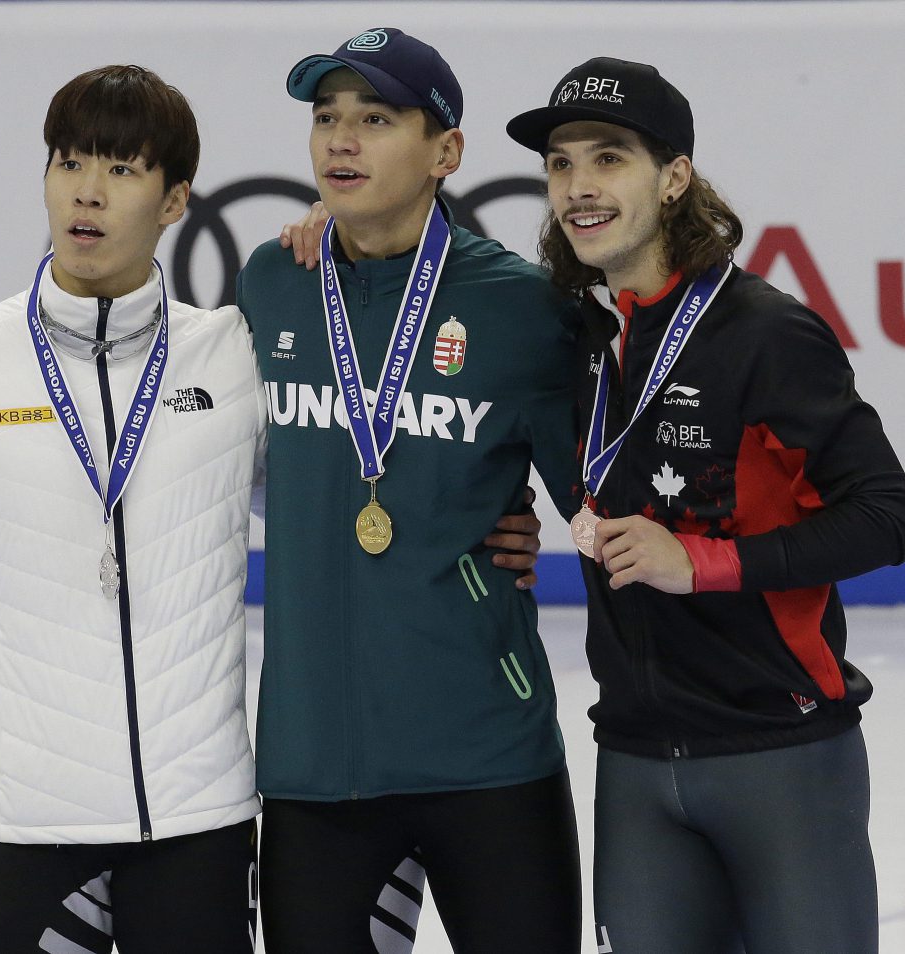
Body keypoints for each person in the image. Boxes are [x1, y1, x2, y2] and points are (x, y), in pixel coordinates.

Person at [506, 57, 905, 953]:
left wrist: (699, 564)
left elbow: (892, 517)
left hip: (780, 754)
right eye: (560, 163)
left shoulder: (765, 334)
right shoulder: (576, 328)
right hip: (633, 760)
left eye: (608, 158)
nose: (578, 188)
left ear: (675, 176)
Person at [0, 65, 266, 952]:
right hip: (23, 830)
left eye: (121, 169)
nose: (86, 190)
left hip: (199, 822)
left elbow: (329, 501)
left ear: (174, 199)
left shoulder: (230, 359)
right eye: (69, 161)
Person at [237, 28, 584, 953]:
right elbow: (270, 479)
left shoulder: (523, 309)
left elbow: (601, 501)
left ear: (447, 152)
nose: (340, 140)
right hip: (317, 764)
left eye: (377, 119)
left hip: (487, 752)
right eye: (326, 118)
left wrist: (526, 522)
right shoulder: (274, 282)